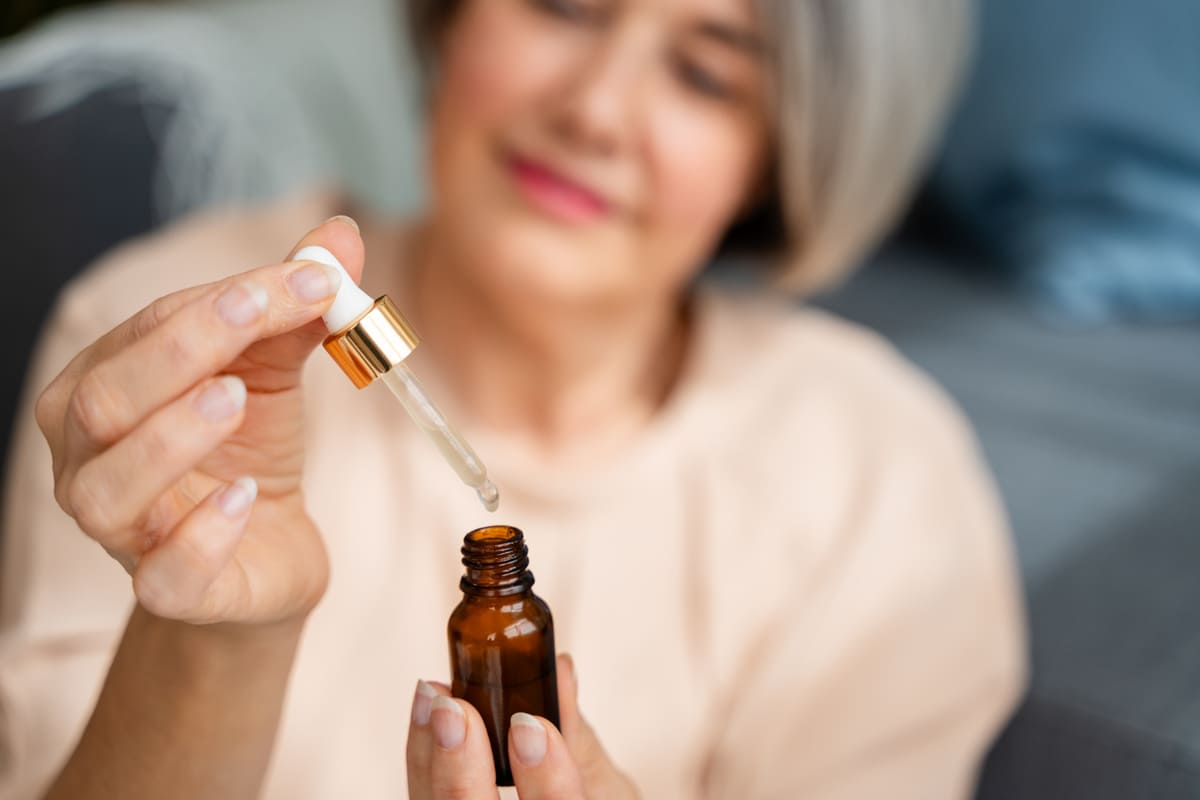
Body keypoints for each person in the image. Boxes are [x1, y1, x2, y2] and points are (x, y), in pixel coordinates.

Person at [0, 0, 1026, 797]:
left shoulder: (876, 475)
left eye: (707, 75)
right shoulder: (184, 348)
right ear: (451, 16)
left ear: (780, 158)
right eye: (563, 6)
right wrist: (209, 630)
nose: (594, 109)